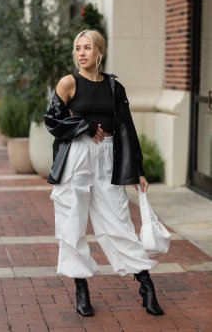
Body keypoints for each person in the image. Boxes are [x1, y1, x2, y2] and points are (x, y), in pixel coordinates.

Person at [44, 29, 164, 317]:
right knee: (73, 222)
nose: (81, 53)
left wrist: (137, 170)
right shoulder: (68, 83)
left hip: (108, 156)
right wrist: (83, 126)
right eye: (77, 48)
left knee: (119, 221)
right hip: (78, 156)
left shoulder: (114, 87)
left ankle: (146, 285)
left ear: (99, 52)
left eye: (87, 47)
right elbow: (51, 121)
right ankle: (81, 288)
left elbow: (126, 128)